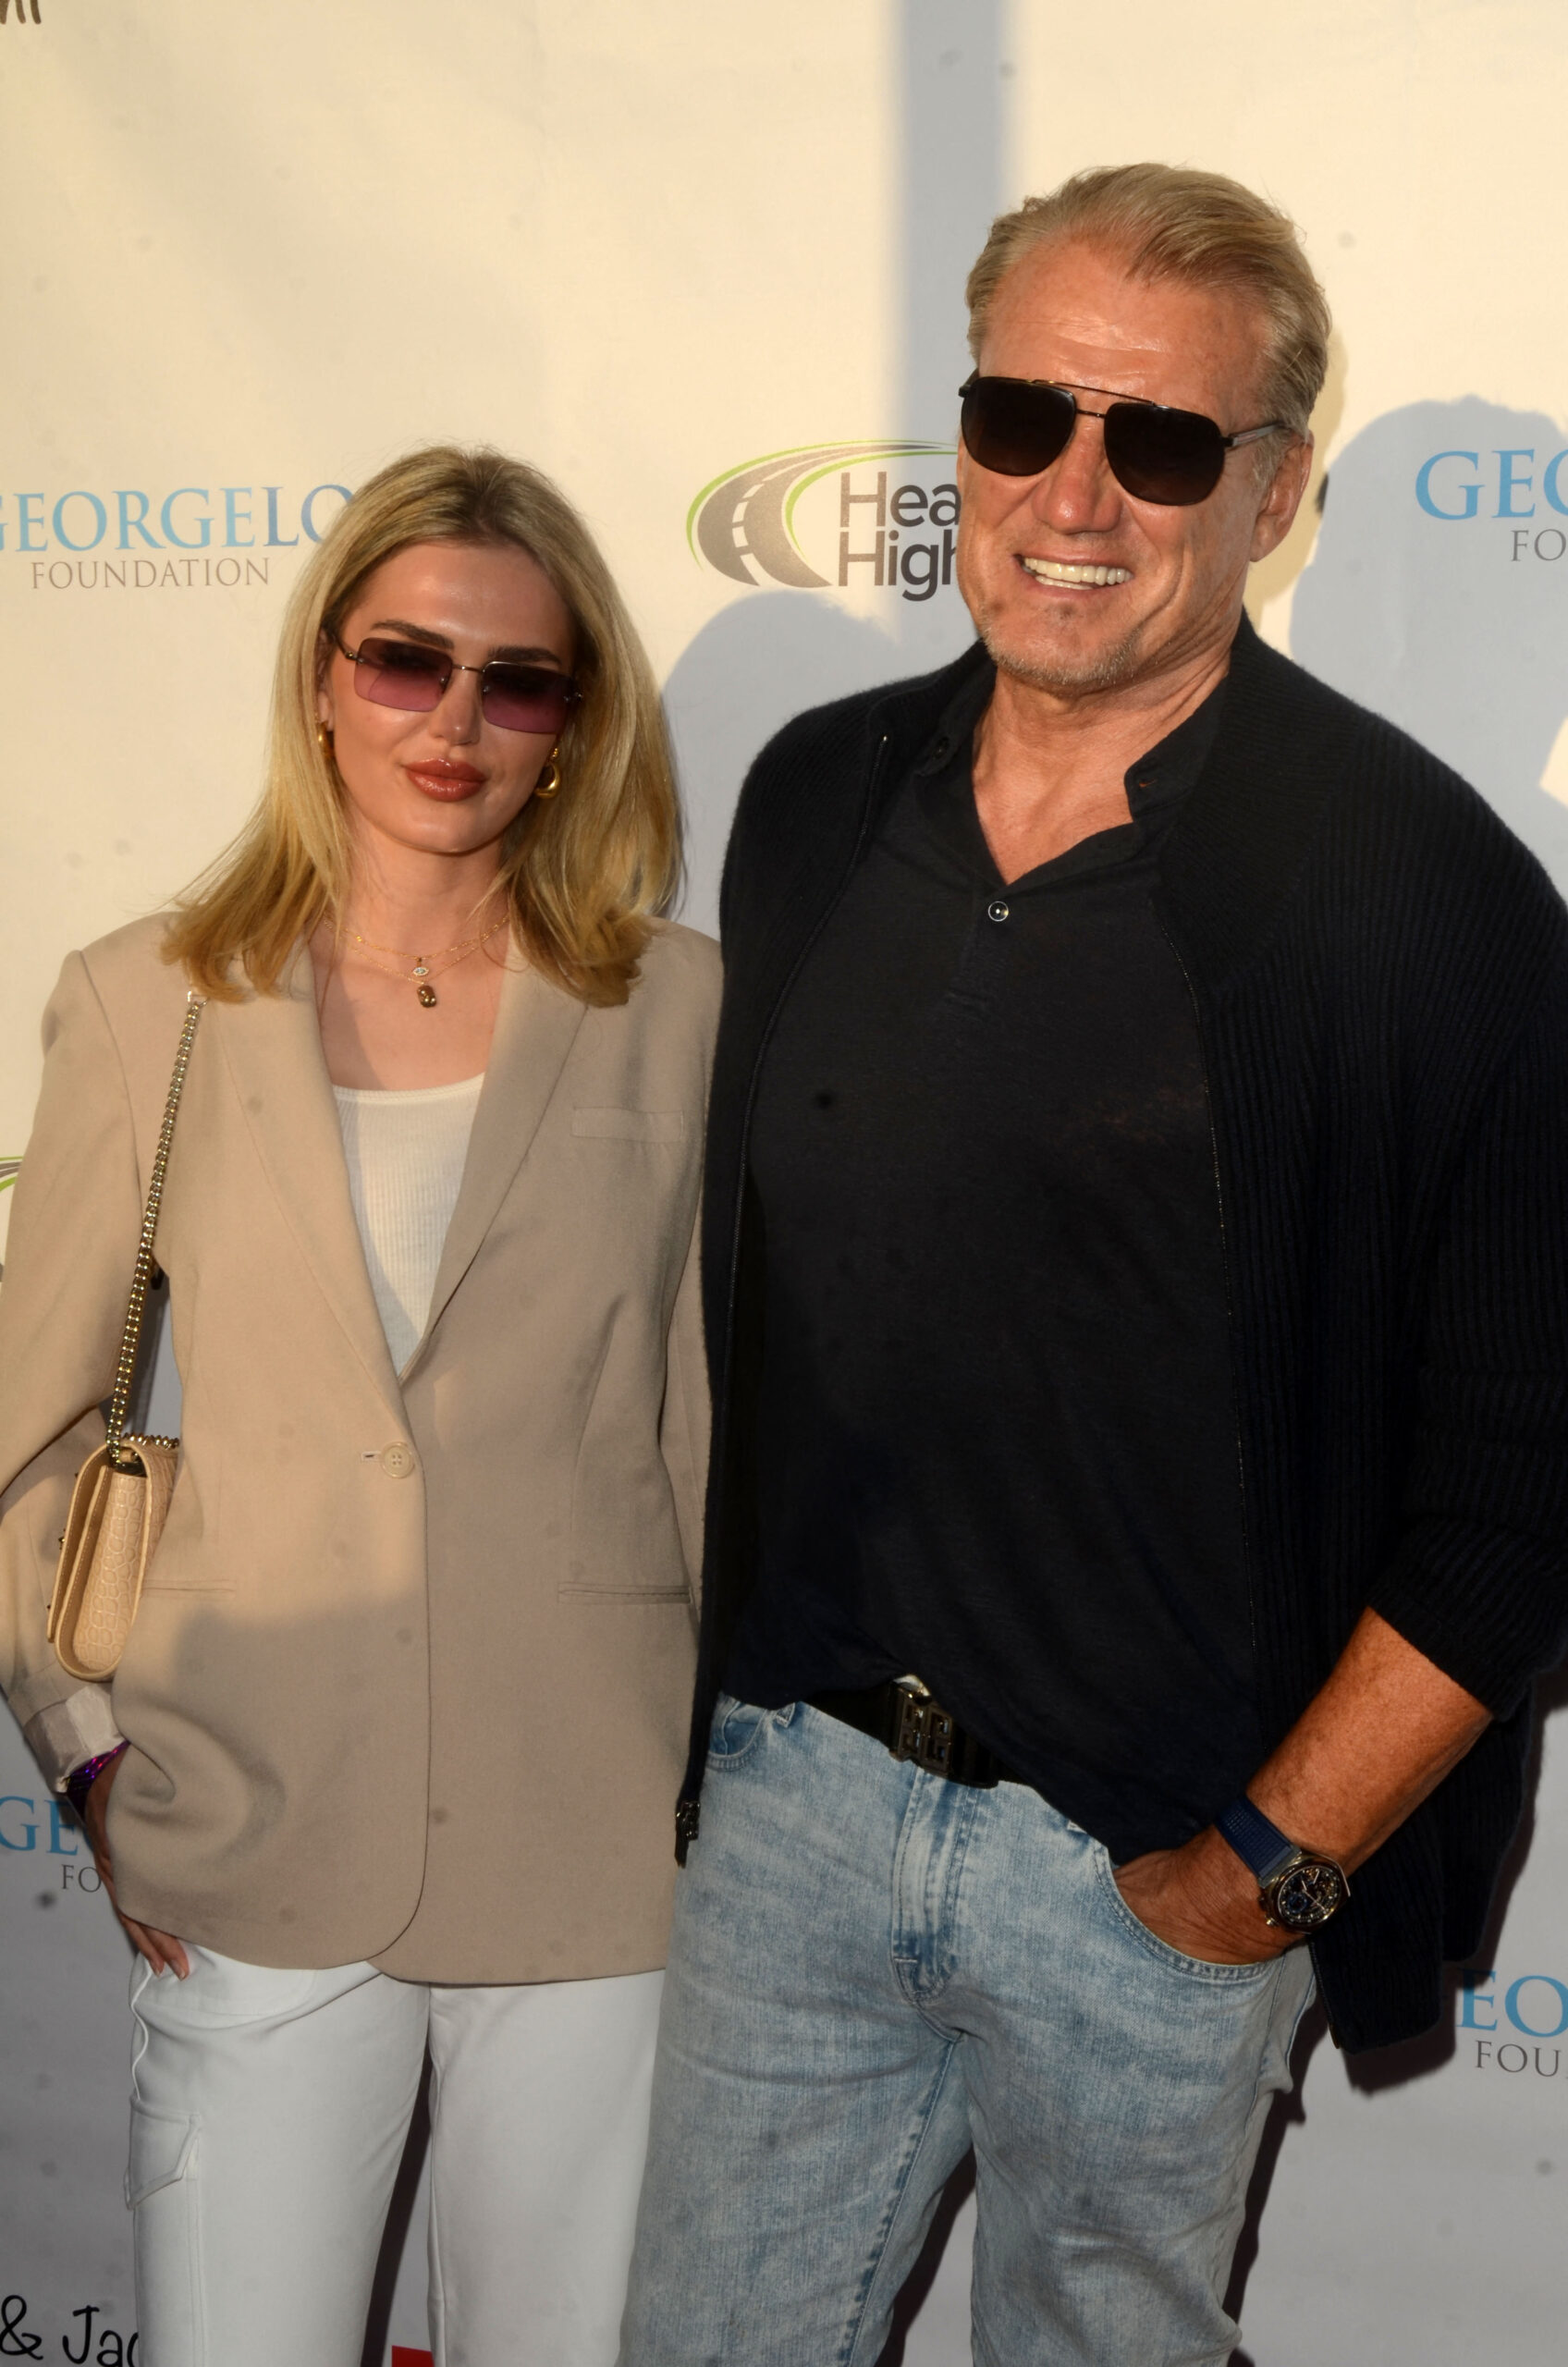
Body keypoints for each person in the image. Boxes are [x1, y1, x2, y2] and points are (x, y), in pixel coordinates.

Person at [618, 166, 1568, 2366]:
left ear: (1271, 491)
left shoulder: (1424, 906)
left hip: (1154, 1868)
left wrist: (1268, 1866)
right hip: (794, 1810)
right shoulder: (816, 792)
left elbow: (1524, 1472)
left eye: (1153, 441)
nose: (1072, 492)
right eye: (1017, 413)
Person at [0, 444, 718, 2367]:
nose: (456, 718)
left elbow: (707, 1424)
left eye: (518, 678)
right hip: (254, 1818)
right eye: (407, 659)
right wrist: (81, 1742)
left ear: (574, 725)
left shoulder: (682, 1008)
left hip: (592, 1839)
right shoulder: (145, 999)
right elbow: (34, 1435)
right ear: (321, 673)